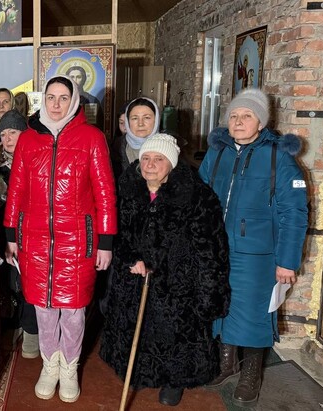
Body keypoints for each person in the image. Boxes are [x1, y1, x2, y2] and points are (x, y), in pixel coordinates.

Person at [4, 75, 117, 403]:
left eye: (63, 97)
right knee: (43, 308)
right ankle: (49, 365)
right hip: (35, 238)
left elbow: (105, 192)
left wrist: (105, 241)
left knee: (73, 310)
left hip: (77, 240)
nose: (56, 104)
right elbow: (16, 189)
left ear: (74, 101)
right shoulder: (28, 139)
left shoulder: (92, 138)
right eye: (50, 97)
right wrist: (11, 234)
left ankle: (69, 368)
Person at [99, 133, 230, 406]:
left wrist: (209, 293)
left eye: (158, 159)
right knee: (135, 326)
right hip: (135, 279)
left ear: (172, 163)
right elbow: (115, 232)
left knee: (175, 331)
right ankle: (138, 370)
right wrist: (130, 258)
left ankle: (174, 380)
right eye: (145, 158)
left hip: (177, 282)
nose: (150, 165)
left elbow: (211, 248)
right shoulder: (126, 190)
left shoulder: (197, 196)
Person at [199, 88, 308, 407]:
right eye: (234, 115)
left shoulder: (279, 157)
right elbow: (199, 198)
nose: (238, 121)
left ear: (261, 122)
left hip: (258, 254)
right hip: (217, 249)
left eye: (247, 116)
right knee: (222, 306)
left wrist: (287, 261)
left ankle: (251, 374)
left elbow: (294, 212)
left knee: (253, 314)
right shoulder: (217, 152)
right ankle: (226, 363)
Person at [0, 110, 39, 359]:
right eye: (3, 134)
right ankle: (15, 322)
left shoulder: (36, 160)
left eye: (13, 132)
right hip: (2, 230)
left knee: (28, 280)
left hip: (29, 229)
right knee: (9, 281)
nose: (8, 138)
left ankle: (32, 329)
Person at [111, 97, 160, 178]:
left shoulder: (169, 148)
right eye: (135, 118)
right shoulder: (115, 149)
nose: (140, 124)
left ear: (156, 120)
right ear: (128, 121)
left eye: (147, 117)